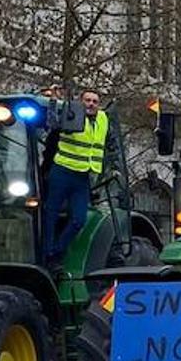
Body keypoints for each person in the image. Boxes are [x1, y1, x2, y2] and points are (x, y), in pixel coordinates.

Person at [43, 88, 108, 270]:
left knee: (79, 219)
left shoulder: (103, 119)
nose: (91, 104)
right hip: (62, 171)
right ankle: (48, 254)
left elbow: (106, 145)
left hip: (83, 177)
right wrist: (54, 101)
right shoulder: (71, 113)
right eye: (87, 100)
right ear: (81, 102)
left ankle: (57, 251)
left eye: (95, 101)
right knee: (51, 214)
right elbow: (52, 123)